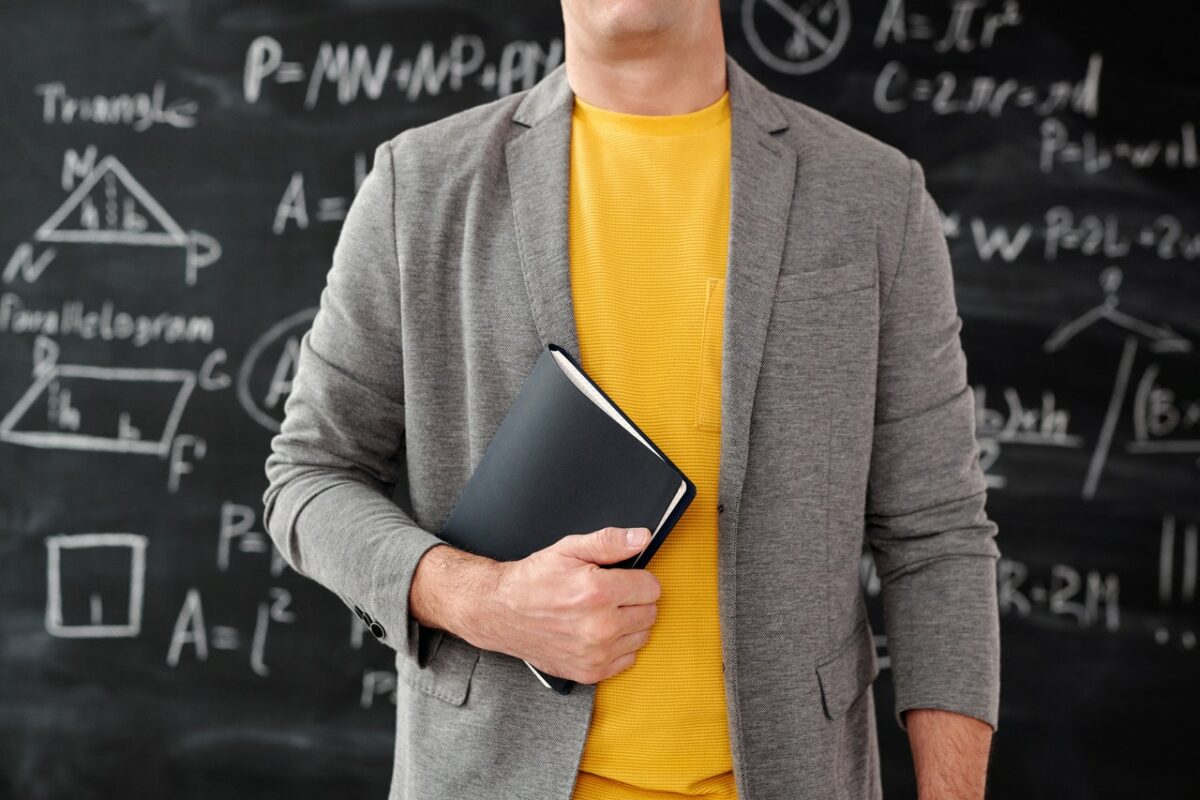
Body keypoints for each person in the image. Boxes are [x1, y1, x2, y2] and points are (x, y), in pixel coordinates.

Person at [262, 2, 1001, 799]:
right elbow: (308, 477)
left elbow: (938, 534)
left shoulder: (874, 198)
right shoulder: (422, 185)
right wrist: (485, 601)